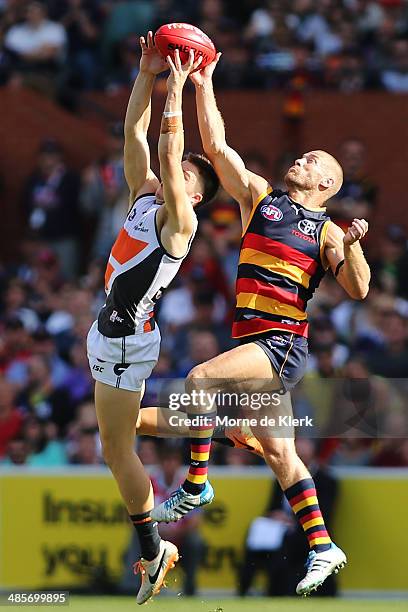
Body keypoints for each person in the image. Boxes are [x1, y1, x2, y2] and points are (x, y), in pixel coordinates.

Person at [152, 53, 370, 596]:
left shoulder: (328, 233)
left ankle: (196, 485)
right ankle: (324, 546)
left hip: (278, 344)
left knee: (200, 381)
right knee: (279, 453)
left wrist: (354, 246)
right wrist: (204, 84)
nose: (303, 158)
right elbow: (219, 146)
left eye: (314, 159)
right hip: (255, 342)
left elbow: (359, 288)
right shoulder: (260, 200)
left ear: (326, 183)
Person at [86, 32, 219, 605]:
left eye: (189, 173)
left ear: (196, 194)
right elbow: (134, 135)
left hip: (125, 340)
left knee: (117, 452)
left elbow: (167, 148)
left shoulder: (180, 225)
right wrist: (146, 73)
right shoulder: (146, 193)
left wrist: (178, 89)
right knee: (119, 437)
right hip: (109, 331)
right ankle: (206, 424)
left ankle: (154, 548)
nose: (178, 170)